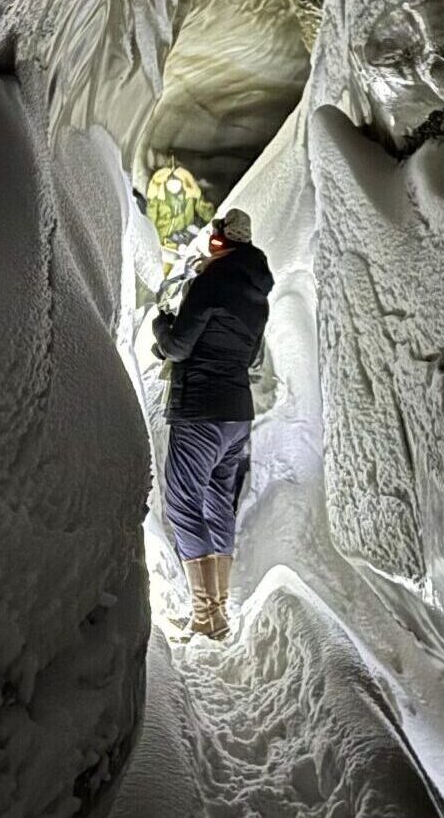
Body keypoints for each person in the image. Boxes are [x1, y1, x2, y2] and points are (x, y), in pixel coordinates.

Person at [152, 207, 271, 641]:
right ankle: (217, 611)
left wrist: (161, 326)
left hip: (201, 408)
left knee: (183, 503)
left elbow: (179, 346)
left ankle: (205, 616)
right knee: (219, 500)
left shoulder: (212, 280)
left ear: (221, 240)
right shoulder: (258, 294)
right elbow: (252, 356)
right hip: (237, 414)